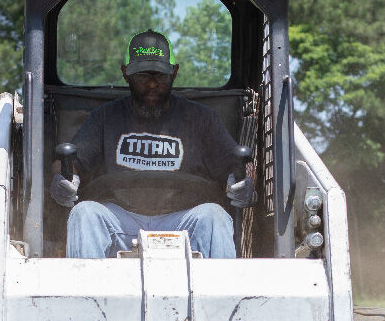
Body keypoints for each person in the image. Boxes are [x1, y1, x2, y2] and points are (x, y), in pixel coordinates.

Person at [50, 29, 255, 258]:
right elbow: (68, 163)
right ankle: (86, 293)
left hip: (183, 220)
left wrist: (243, 182)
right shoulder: (105, 117)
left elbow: (236, 165)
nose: (151, 84)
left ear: (174, 73)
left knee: (215, 217)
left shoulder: (201, 119)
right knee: (84, 213)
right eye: (142, 76)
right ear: (126, 74)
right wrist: (63, 180)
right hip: (120, 222)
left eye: (160, 75)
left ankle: (224, 294)